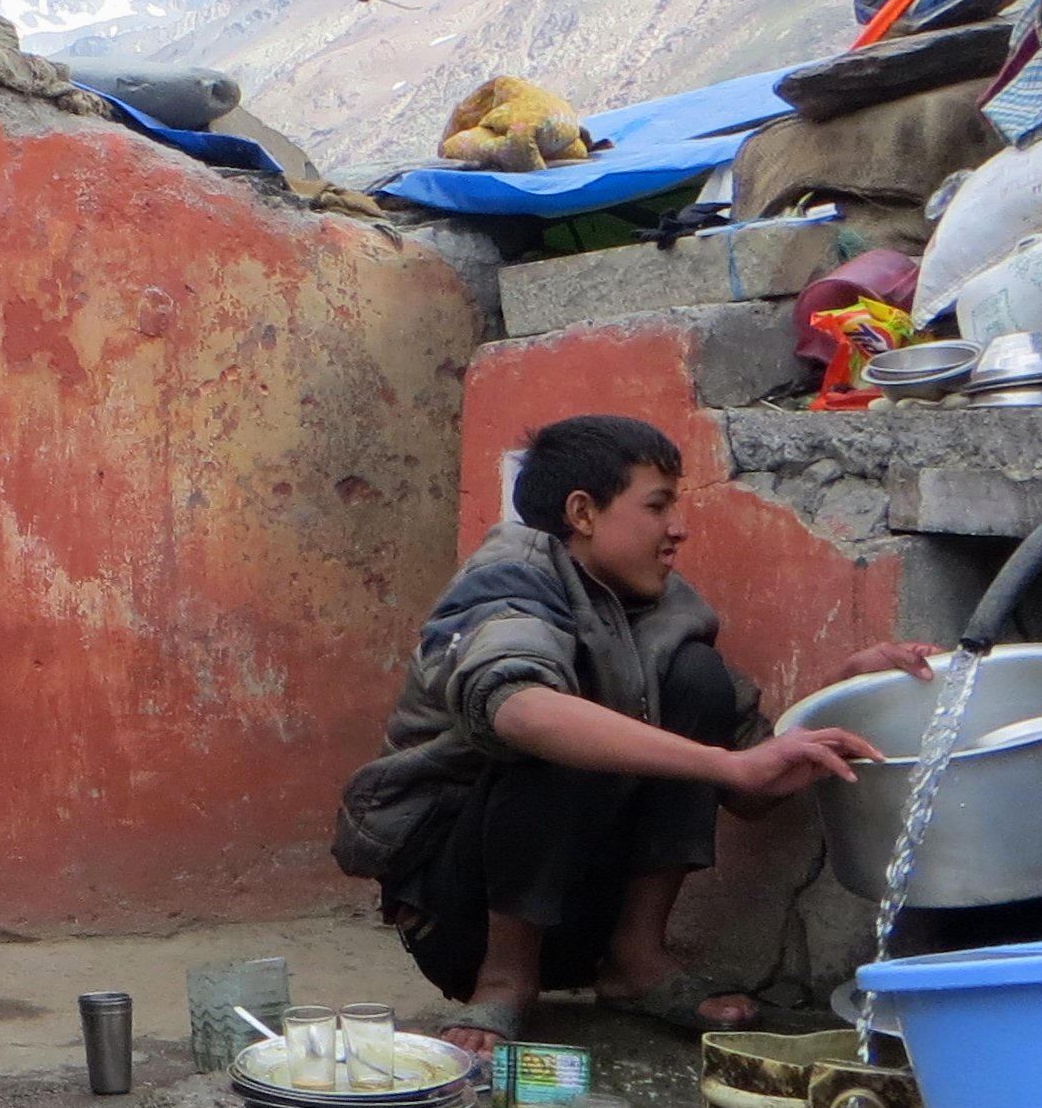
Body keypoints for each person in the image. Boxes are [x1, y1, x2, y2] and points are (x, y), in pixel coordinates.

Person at [335, 413, 912, 1050]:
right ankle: (505, 981)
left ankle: (636, 960)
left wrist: (841, 698)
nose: (678, 528)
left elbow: (749, 786)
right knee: (561, 721)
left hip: (578, 906)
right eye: (657, 506)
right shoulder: (506, 581)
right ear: (583, 513)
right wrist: (725, 765)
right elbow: (519, 710)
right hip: (456, 915)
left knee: (698, 678)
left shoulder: (666, 604)